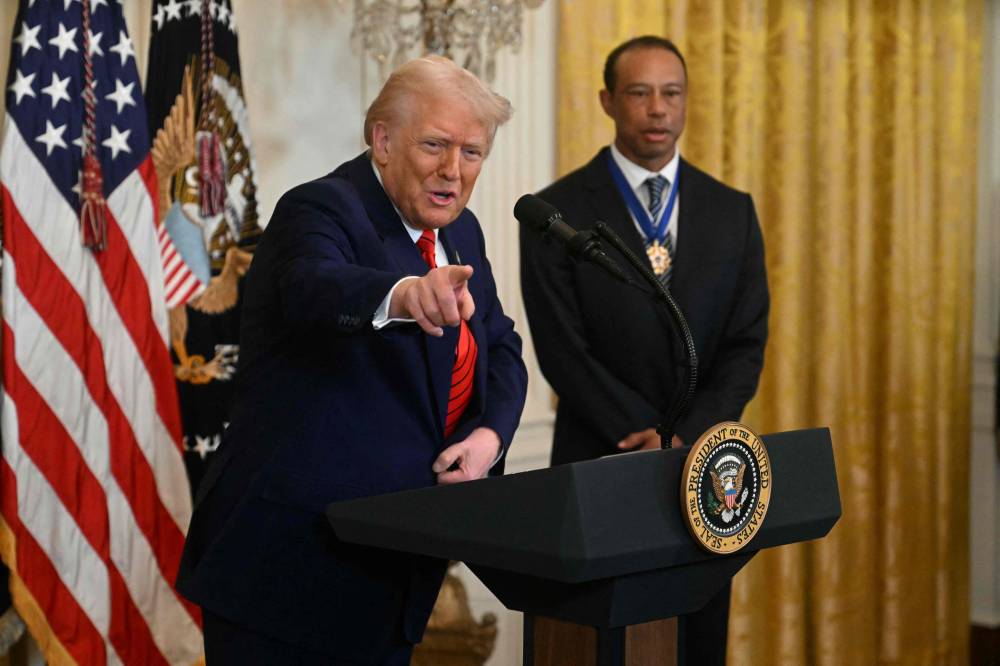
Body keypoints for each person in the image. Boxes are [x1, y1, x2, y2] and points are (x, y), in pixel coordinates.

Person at [177, 55, 528, 665]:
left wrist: (488, 439)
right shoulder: (320, 208)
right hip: (287, 573)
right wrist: (405, 295)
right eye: (435, 145)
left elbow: (500, 347)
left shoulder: (462, 232)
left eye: (472, 152)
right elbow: (314, 286)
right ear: (383, 140)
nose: (453, 170)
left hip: (392, 571)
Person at [520, 36, 769, 664]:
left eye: (671, 93)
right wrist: (643, 436)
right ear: (608, 101)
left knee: (694, 643)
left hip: (703, 469)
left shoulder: (732, 211)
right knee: (592, 643)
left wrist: (688, 434)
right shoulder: (557, 211)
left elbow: (745, 343)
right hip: (598, 459)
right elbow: (562, 347)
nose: (658, 108)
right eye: (639, 93)